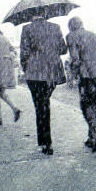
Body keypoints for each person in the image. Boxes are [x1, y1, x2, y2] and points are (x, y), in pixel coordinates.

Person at [66, 17, 96, 152]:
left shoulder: (71, 36)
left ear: (70, 27)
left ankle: (95, 128)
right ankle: (93, 137)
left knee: (85, 104)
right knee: (95, 105)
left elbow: (75, 58)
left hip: (86, 75)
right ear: (82, 24)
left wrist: (74, 72)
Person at [20, 16, 67, 155]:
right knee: (44, 104)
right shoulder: (55, 27)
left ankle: (46, 142)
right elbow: (63, 49)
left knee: (40, 106)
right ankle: (46, 142)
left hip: (35, 73)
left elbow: (24, 52)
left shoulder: (27, 28)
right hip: (52, 73)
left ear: (31, 15)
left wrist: (26, 68)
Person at [0, 22, 21, 126]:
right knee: (2, 92)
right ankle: (15, 108)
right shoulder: (5, 38)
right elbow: (14, 51)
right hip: (7, 66)